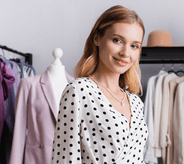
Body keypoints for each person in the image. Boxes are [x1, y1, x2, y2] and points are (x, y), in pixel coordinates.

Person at [51, 5, 148, 164]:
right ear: (97, 38)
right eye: (117, 40)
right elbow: (64, 158)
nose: (125, 53)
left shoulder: (136, 102)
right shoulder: (79, 91)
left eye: (134, 46)